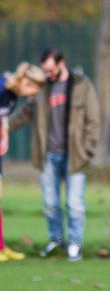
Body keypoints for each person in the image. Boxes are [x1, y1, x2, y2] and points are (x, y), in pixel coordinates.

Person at [9, 48, 101, 261]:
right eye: (45, 71)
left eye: (51, 70)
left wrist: (87, 150)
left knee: (74, 204)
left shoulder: (82, 86)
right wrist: (5, 126)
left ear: (62, 63)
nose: (48, 75)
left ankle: (75, 244)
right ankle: (56, 240)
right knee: (50, 203)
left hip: (75, 155)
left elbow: (94, 121)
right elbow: (26, 113)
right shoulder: (42, 88)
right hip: (48, 155)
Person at [0, 63, 46, 261]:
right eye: (33, 89)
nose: (33, 95)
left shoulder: (11, 95)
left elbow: (3, 118)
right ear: (25, 82)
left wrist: (5, 138)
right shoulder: (1, 89)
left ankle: (1, 248)